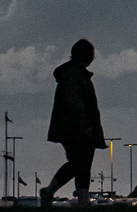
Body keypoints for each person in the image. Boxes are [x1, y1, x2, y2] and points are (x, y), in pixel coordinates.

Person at [41, 39, 107, 206]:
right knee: (80, 164)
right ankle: (54, 193)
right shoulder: (74, 75)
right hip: (75, 128)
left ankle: (58, 194)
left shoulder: (75, 74)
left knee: (80, 164)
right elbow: (75, 103)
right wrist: (85, 125)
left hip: (75, 128)